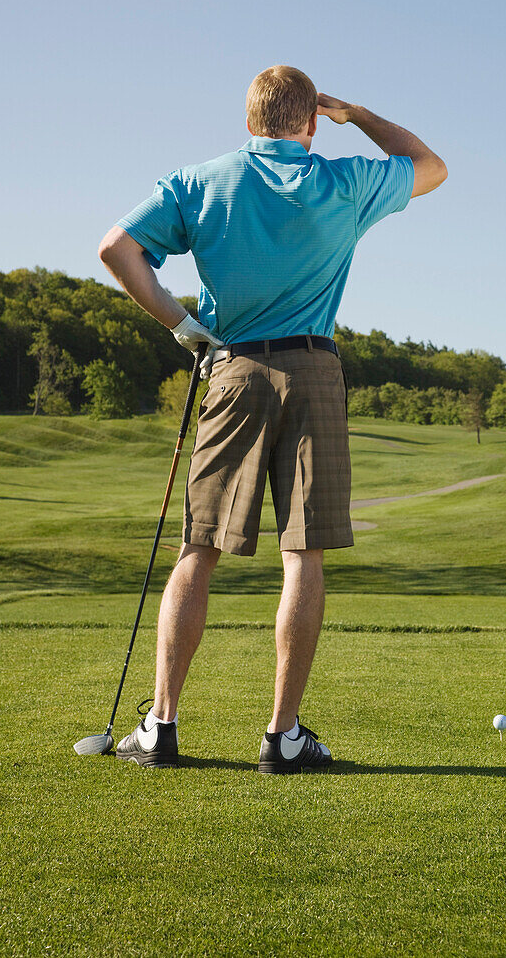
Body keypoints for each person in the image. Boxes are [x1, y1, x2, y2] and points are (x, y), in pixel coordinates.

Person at [98, 66, 447, 772]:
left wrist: (180, 326)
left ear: (249, 119)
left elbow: (116, 250)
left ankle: (161, 728)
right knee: (302, 553)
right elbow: (430, 166)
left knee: (200, 548)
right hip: (314, 370)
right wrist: (360, 114)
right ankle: (281, 738)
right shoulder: (343, 181)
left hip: (231, 368)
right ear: (310, 122)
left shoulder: (197, 181)